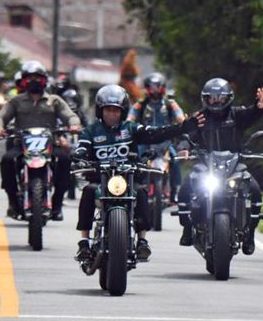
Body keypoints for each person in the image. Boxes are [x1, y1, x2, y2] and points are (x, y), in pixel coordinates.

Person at [74, 84, 204, 262]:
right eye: (108, 110)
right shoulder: (90, 131)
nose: (112, 114)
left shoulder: (131, 128)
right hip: (101, 180)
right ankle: (83, 242)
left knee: (142, 192)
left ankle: (142, 240)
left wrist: (183, 127)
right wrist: (79, 154)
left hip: (127, 180)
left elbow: (158, 133)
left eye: (116, 110)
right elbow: (82, 146)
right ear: (100, 111)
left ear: (123, 111)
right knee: (88, 191)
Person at [176, 78, 263, 254]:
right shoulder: (200, 117)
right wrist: (184, 149)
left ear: (228, 98)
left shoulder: (237, 114)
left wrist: (259, 107)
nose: (217, 101)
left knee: (254, 190)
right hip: (206, 165)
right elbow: (188, 136)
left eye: (221, 97)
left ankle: (250, 236)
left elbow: (252, 114)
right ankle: (187, 229)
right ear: (206, 99)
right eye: (212, 98)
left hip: (234, 165)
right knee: (185, 189)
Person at [0, 61, 81, 221]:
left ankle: (58, 204)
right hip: (22, 145)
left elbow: (70, 115)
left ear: (44, 80)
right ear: (24, 81)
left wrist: (74, 125)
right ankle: (12, 202)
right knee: (7, 160)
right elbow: (1, 116)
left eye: (38, 78)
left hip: (50, 145)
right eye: (30, 78)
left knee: (65, 159)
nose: (34, 81)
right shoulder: (16, 101)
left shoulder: (55, 100)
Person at [127, 72, 186, 202]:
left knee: (175, 160)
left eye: (157, 86)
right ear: (147, 87)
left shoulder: (170, 103)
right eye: (151, 86)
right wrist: (130, 126)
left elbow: (180, 116)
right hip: (145, 141)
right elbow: (129, 119)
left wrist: (183, 124)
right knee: (137, 161)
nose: (154, 89)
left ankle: (175, 191)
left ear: (162, 87)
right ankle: (135, 189)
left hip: (165, 142)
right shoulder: (140, 104)